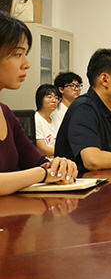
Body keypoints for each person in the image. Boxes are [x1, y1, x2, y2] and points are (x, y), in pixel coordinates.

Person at [0, 11, 77, 195]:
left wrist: (60, 165)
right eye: (18, 54)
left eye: (25, 54)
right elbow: (41, 171)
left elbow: (37, 162)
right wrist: (42, 174)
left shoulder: (5, 113)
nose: (26, 64)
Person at [34, 84, 59, 156]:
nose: (54, 100)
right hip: (45, 160)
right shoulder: (36, 119)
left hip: (57, 157)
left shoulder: (55, 118)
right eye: (49, 97)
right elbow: (43, 149)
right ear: (40, 99)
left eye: (56, 98)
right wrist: (64, 152)